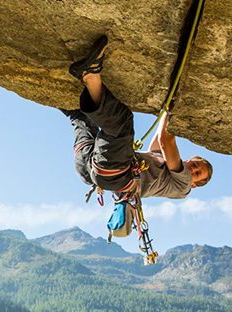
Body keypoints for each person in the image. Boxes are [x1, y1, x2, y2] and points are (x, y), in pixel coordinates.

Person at [62, 35, 212, 199]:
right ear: (191, 159)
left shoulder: (183, 185)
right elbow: (159, 141)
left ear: (193, 184)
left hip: (114, 173)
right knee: (78, 115)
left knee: (122, 125)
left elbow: (166, 140)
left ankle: (89, 74)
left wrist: (173, 107)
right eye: (196, 165)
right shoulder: (161, 160)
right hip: (89, 166)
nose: (193, 170)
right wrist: (166, 110)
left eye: (197, 174)